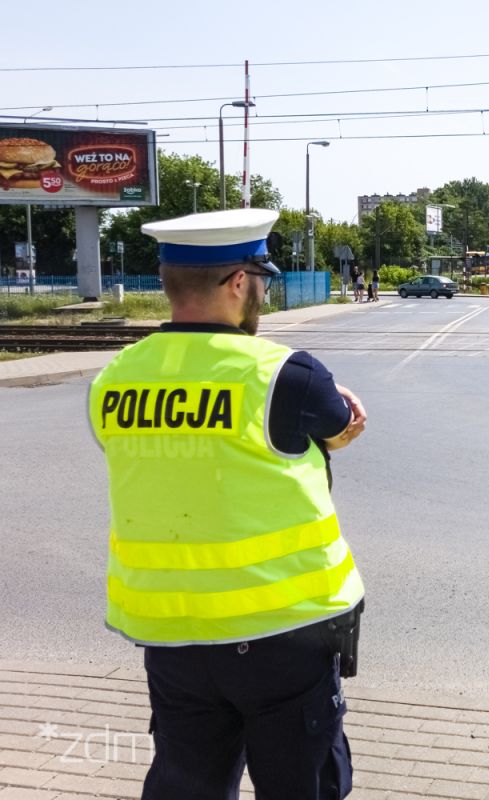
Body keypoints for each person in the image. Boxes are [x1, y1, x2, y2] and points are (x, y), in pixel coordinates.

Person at [87, 208, 368, 800]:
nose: (262, 292)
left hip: (171, 638)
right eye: (261, 280)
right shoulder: (283, 376)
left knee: (188, 785)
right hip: (283, 637)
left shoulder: (111, 380)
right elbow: (340, 422)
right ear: (239, 283)